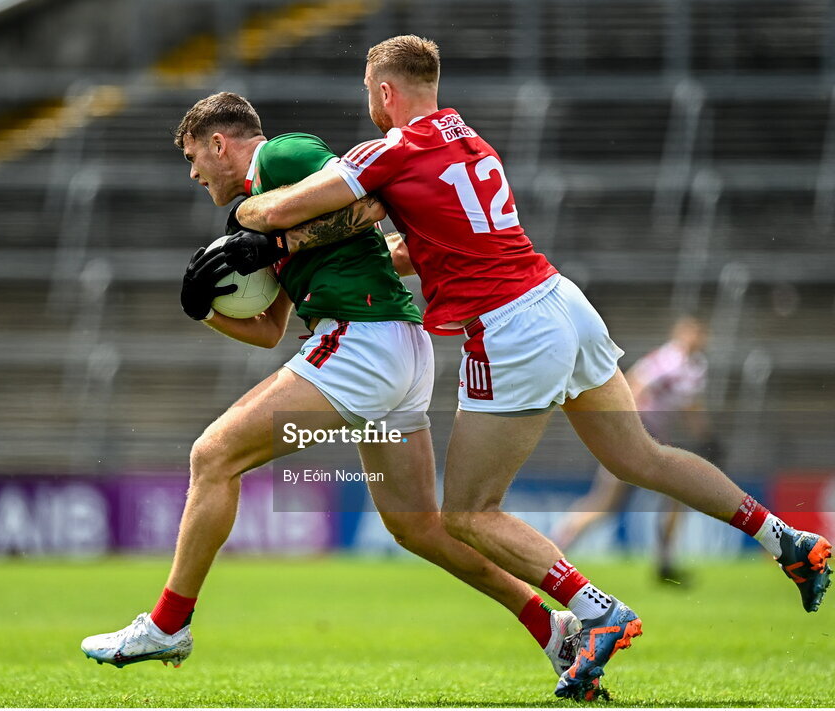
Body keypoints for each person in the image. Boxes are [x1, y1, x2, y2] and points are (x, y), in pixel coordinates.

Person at [224, 36, 833, 700]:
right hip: (563, 301)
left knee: (467, 512)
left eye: (370, 94)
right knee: (642, 456)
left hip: (511, 328)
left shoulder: (391, 150)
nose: (370, 106)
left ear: (385, 93)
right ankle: (788, 539)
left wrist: (246, 217)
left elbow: (279, 208)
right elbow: (422, 247)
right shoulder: (468, 138)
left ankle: (598, 611)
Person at [79, 92, 588, 683]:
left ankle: (169, 625)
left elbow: (372, 204)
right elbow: (271, 330)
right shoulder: (260, 208)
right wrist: (207, 312)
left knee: (212, 456)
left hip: (363, 341)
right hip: (397, 346)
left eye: (194, 158)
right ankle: (552, 629)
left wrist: (277, 242)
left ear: (221, 144)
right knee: (417, 525)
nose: (193, 174)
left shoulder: (282, 156)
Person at [552, 316, 716, 582]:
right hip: (640, 431)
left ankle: (664, 561)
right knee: (608, 503)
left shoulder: (692, 366)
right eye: (691, 333)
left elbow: (691, 405)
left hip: (652, 434)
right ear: (679, 333)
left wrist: (706, 435)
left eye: (699, 334)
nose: (695, 339)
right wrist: (626, 425)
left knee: (675, 495)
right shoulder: (669, 360)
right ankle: (557, 546)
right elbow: (634, 384)